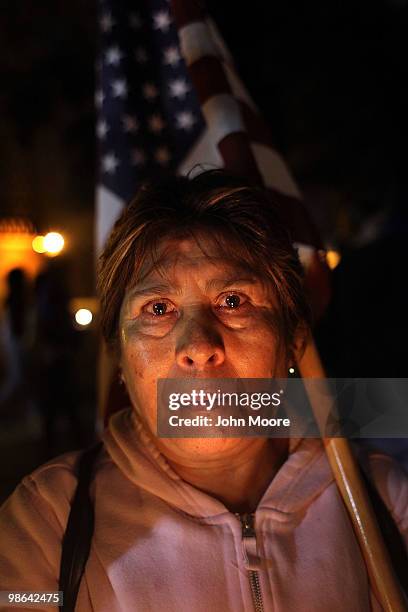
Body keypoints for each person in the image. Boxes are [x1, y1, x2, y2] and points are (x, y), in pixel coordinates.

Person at [0, 170, 407, 611]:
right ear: (119, 355)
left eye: (233, 301)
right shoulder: (48, 525)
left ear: (292, 339)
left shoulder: (383, 496)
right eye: (158, 309)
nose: (198, 347)